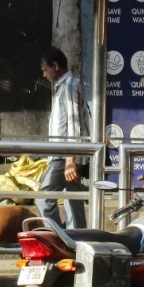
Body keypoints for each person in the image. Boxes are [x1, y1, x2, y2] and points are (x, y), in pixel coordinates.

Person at [34, 46, 88, 229]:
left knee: (44, 197)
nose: (44, 74)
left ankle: (57, 236)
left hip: (64, 155)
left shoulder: (69, 85)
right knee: (73, 200)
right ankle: (77, 238)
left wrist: (70, 159)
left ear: (55, 66)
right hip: (66, 154)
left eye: (45, 69)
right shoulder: (64, 86)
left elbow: (74, 124)